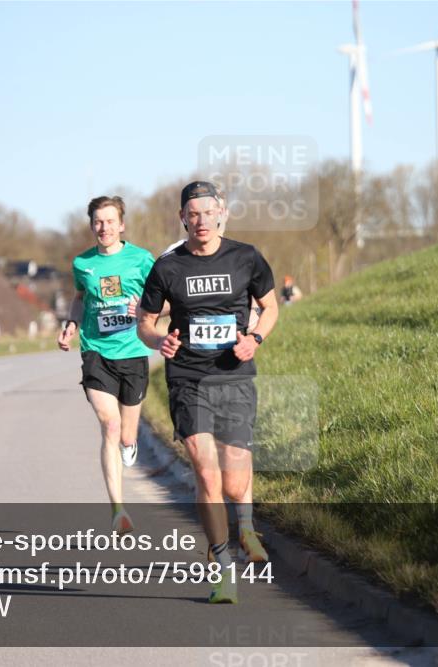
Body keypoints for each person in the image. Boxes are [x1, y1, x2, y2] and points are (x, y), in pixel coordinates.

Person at [137, 181, 278, 603]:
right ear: (183, 218)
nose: (201, 220)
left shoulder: (246, 257)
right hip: (187, 378)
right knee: (204, 471)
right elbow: (145, 320)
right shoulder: (168, 267)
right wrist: (157, 340)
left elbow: (271, 307)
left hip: (234, 374)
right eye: (193, 214)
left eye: (208, 212)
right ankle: (222, 566)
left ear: (223, 213)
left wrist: (255, 338)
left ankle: (248, 529)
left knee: (234, 479)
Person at [58, 195, 154, 535]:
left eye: (110, 221)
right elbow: (80, 299)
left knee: (127, 435)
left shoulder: (142, 260)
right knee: (109, 427)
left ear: (121, 224)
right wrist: (71, 323)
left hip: (133, 352)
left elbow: (163, 301)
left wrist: (143, 308)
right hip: (96, 352)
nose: (104, 227)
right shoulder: (82, 264)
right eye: (98, 222)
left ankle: (131, 444)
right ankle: (118, 509)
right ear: (92, 226)